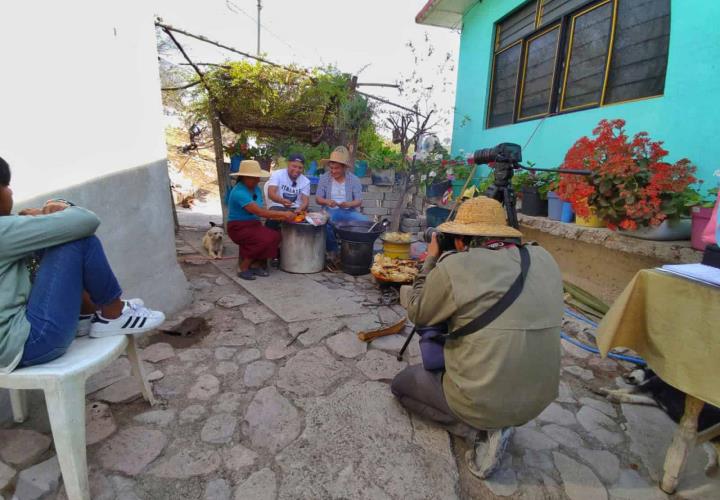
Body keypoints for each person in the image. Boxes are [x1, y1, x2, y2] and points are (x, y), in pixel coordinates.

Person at [391, 196, 563, 479]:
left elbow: (418, 313)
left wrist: (432, 258)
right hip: (538, 400)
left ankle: (479, 431)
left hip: (481, 401)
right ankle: (497, 419)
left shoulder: (456, 268)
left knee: (402, 385)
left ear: (460, 241)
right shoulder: (543, 258)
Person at [0, 156, 165, 373]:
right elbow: (86, 221)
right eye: (6, 185)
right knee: (78, 240)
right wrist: (57, 207)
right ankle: (113, 313)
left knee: (51, 244)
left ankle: (88, 317)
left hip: (17, 345)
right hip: (31, 343)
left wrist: (39, 220)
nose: (11, 192)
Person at [226, 160, 295, 280]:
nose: (258, 180)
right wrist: (283, 215)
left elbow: (261, 208)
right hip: (238, 227)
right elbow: (260, 212)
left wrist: (281, 212)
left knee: (275, 236)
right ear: (245, 177)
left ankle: (256, 264)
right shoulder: (239, 192)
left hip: (253, 224)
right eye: (255, 178)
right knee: (263, 240)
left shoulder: (255, 188)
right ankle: (243, 267)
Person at [315, 146, 368, 256]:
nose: (333, 171)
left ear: (344, 168)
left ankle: (358, 252)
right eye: (331, 168)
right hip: (329, 211)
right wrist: (327, 202)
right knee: (327, 223)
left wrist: (348, 204)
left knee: (365, 222)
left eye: (337, 168)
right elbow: (318, 199)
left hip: (349, 211)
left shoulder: (354, 180)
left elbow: (359, 201)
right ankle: (333, 253)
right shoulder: (325, 178)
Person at [265, 153, 310, 231]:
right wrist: (282, 201)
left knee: (310, 222)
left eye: (300, 168)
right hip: (278, 206)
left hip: (296, 209)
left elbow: (305, 202)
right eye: (294, 166)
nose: (297, 170)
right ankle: (269, 238)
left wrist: (300, 209)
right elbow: (271, 194)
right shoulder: (277, 174)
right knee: (272, 221)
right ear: (288, 164)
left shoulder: (306, 181)